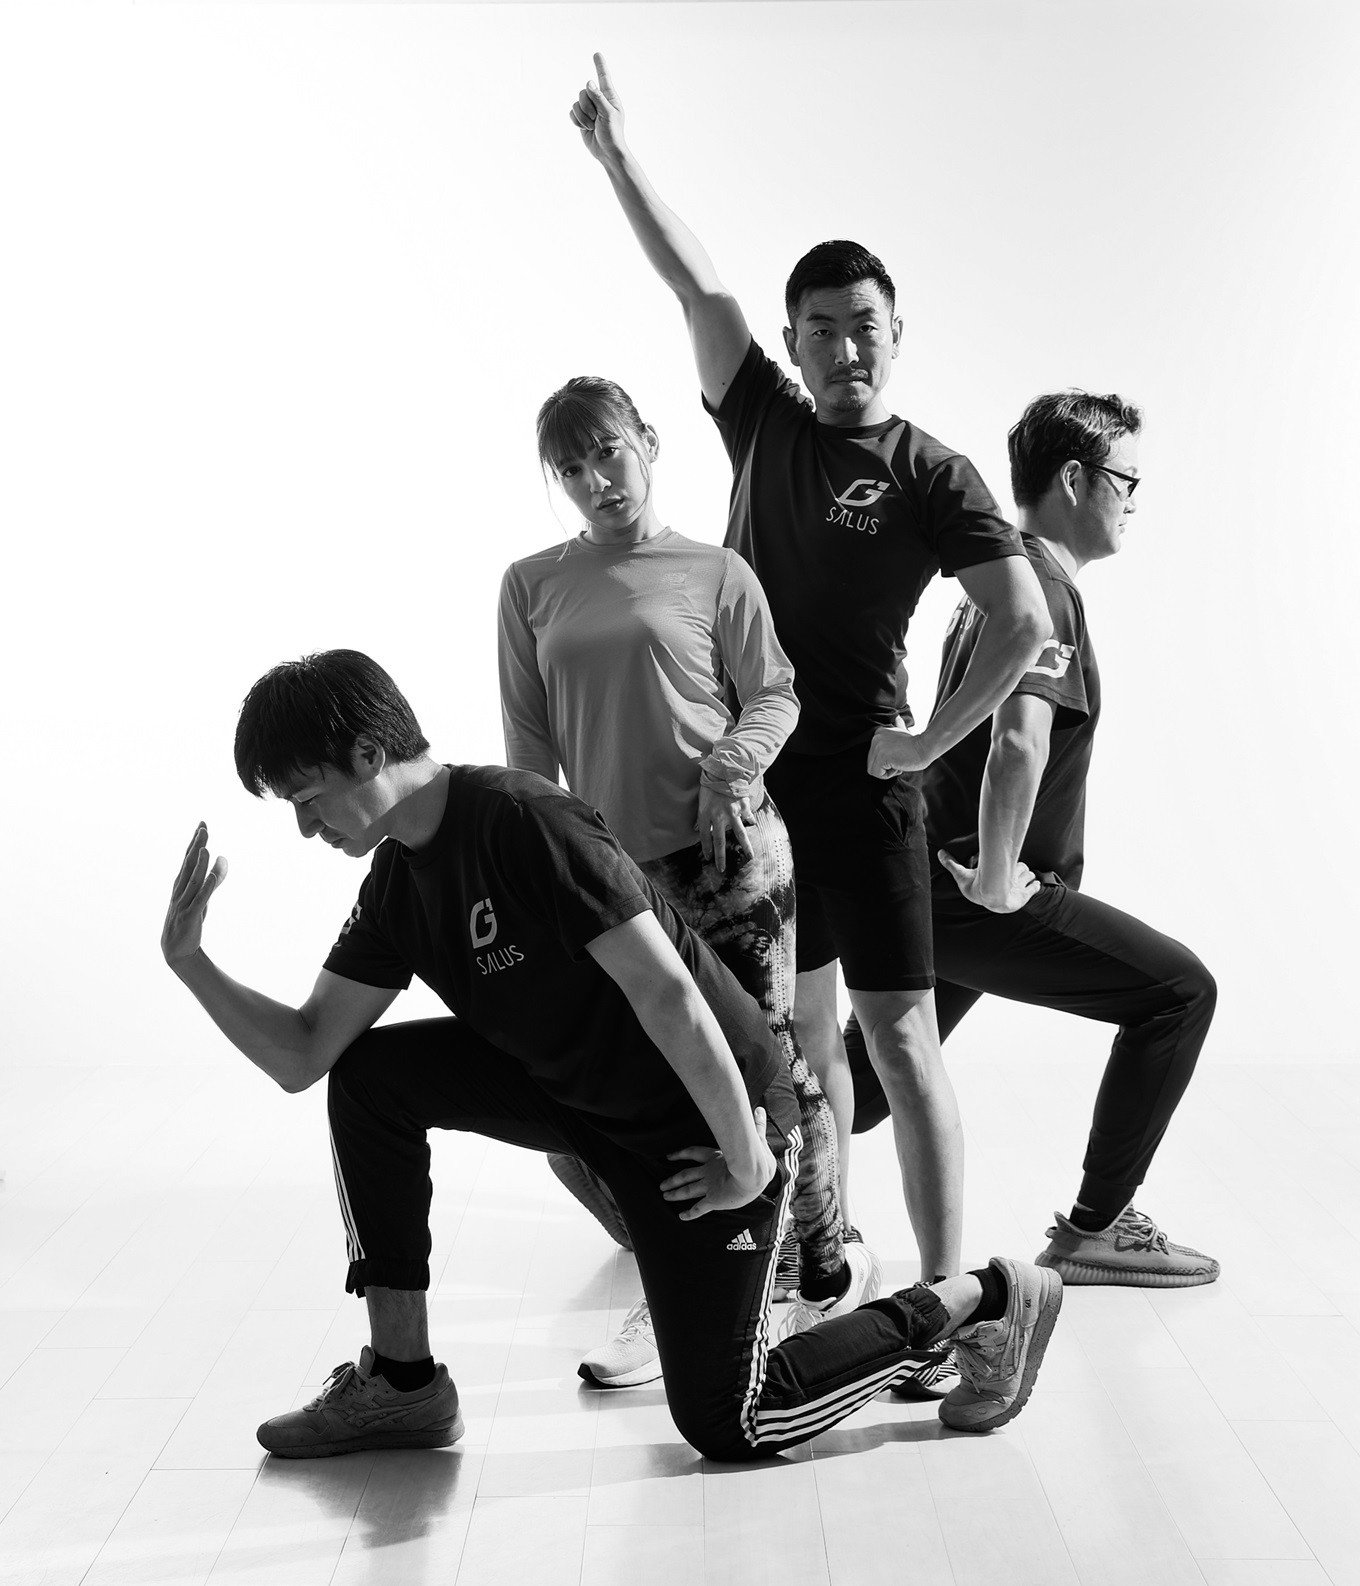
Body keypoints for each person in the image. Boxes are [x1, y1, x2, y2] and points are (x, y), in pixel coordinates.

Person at [161, 648, 1062, 1461]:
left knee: (732, 1421)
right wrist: (191, 962)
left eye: (307, 798)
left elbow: (667, 993)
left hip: (709, 1122)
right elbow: (306, 1053)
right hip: (587, 1104)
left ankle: (982, 1300)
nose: (306, 828)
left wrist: (746, 1154)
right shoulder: (397, 881)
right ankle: (403, 1385)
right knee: (370, 1079)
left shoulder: (524, 820)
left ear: (367, 753)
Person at [567, 54, 1052, 1393]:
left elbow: (1019, 621)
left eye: (865, 323)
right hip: (755, 798)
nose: (847, 347)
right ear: (793, 346)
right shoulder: (767, 425)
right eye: (822, 328)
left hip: (864, 788)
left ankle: (949, 1303)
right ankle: (811, 1261)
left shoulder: (933, 470)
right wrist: (618, 158)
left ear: (898, 331)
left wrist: (930, 741)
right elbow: (697, 285)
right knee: (798, 1046)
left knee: (898, 1037)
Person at [499, 377, 875, 1388]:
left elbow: (776, 691)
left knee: (767, 1066)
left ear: (648, 442)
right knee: (645, 1089)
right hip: (614, 879)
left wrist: (730, 768)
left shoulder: (714, 571)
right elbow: (529, 750)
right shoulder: (529, 586)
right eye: (571, 468)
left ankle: (818, 1268)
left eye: (608, 452)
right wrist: (548, 864)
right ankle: (695, 1284)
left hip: (730, 856)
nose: (596, 480)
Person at [845, 392, 1219, 1290]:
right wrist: (997, 878)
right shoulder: (1043, 592)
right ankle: (1097, 1228)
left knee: (857, 1089)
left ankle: (669, 1157)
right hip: (976, 891)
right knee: (1178, 994)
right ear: (1075, 479)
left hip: (928, 879)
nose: (1135, 500)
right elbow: (1018, 742)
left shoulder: (996, 584)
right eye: (1127, 480)